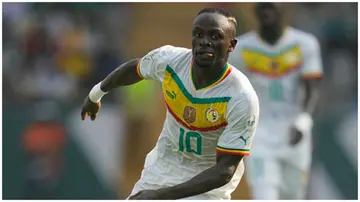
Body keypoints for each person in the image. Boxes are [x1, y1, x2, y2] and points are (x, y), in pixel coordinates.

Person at [81, 8, 259, 200]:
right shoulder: (171, 61)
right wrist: (95, 94)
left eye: (215, 36)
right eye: (198, 34)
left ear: (231, 45)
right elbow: (136, 68)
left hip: (206, 186)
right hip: (162, 169)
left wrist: (160, 196)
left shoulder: (241, 97)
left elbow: (225, 170)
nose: (204, 42)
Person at [228, 3, 323, 200]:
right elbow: (232, 91)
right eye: (262, 7)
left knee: (293, 194)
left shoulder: (304, 43)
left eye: (271, 7)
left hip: (293, 129)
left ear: (284, 9)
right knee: (264, 193)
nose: (266, 12)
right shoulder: (241, 48)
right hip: (259, 131)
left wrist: (303, 121)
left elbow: (312, 88)